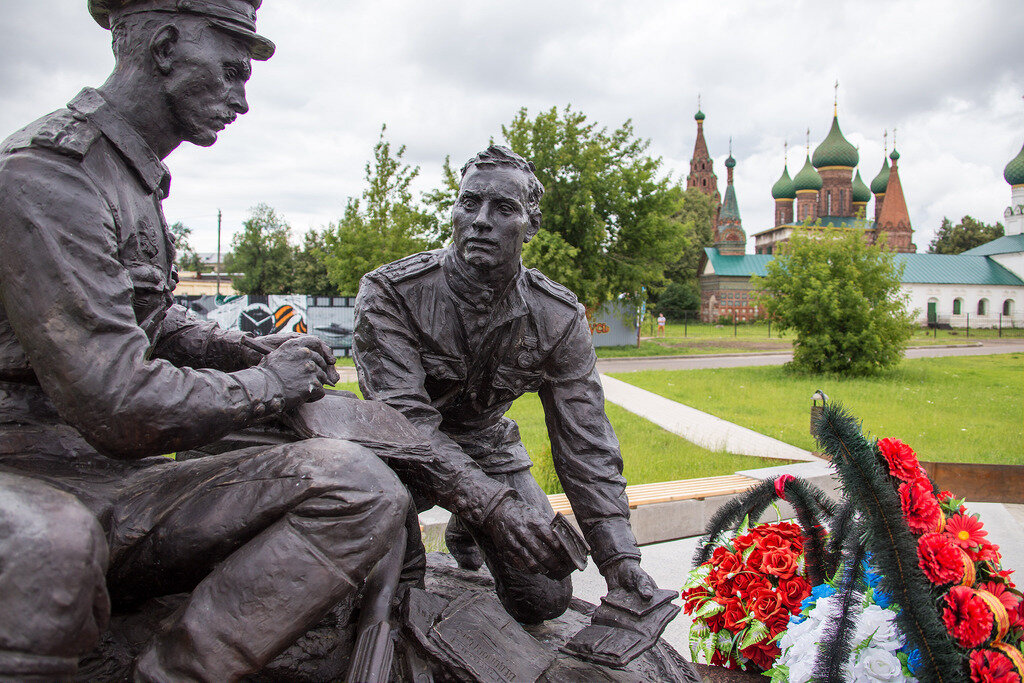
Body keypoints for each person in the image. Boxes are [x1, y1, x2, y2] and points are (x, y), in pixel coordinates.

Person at [0, 2, 409, 681]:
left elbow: (151, 321)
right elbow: (116, 396)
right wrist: (267, 385)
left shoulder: (131, 176)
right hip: (26, 469)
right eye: (230, 73)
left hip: (115, 481)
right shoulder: (49, 175)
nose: (242, 100)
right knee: (55, 549)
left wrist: (248, 353)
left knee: (360, 484)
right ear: (164, 48)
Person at [353, 145, 660, 625]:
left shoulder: (557, 317)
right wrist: (492, 507)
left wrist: (620, 561)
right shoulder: (392, 293)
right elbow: (404, 423)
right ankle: (469, 521)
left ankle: (468, 528)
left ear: (530, 226)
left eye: (503, 209)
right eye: (469, 203)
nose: (480, 220)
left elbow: (587, 444)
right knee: (381, 586)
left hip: (487, 445)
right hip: (398, 451)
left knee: (544, 598)